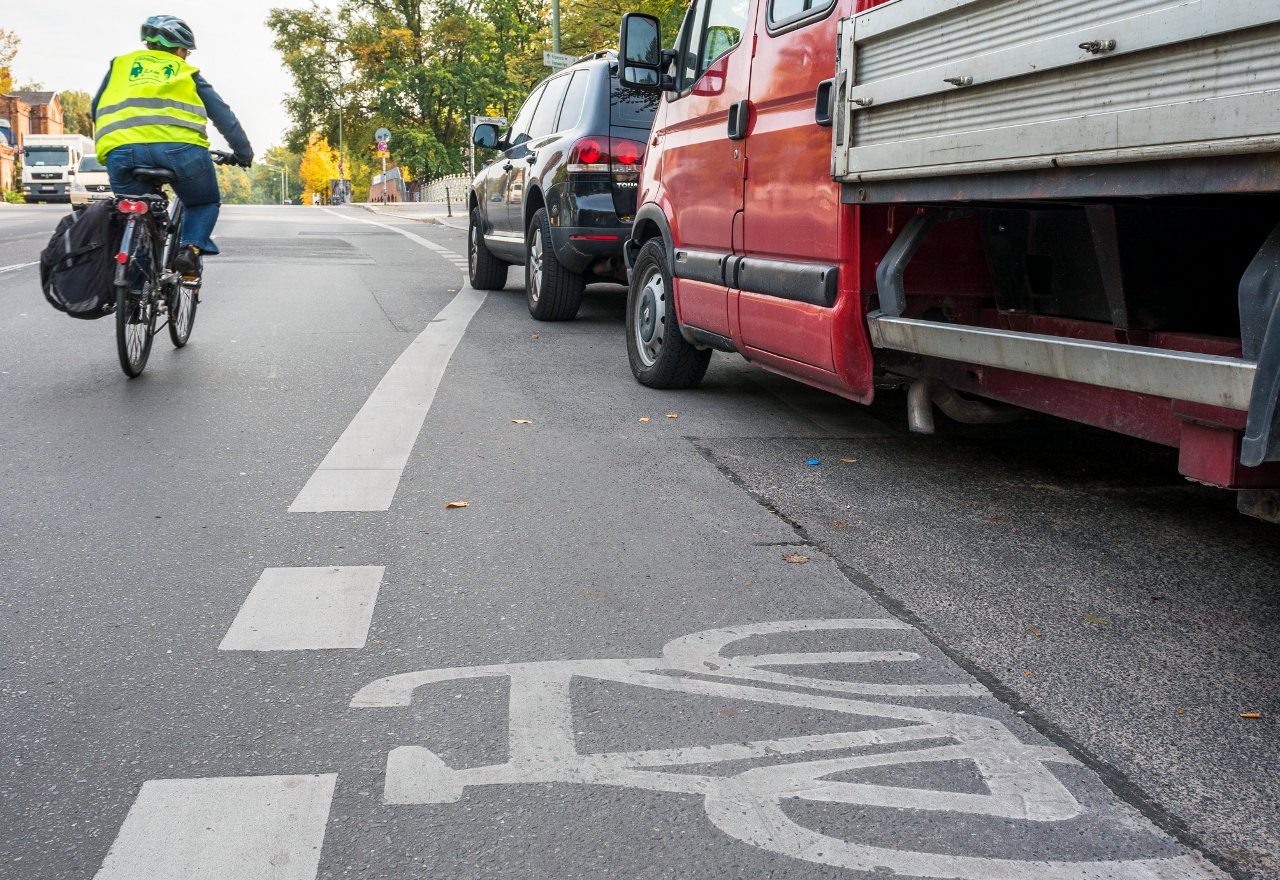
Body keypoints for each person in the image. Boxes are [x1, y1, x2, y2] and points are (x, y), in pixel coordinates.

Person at [91, 15, 253, 278]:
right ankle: (189, 249)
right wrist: (243, 154)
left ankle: (135, 289)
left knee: (133, 211)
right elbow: (224, 117)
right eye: (186, 52)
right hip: (181, 152)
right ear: (179, 49)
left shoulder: (120, 66)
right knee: (203, 202)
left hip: (121, 151)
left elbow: (95, 107)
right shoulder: (185, 72)